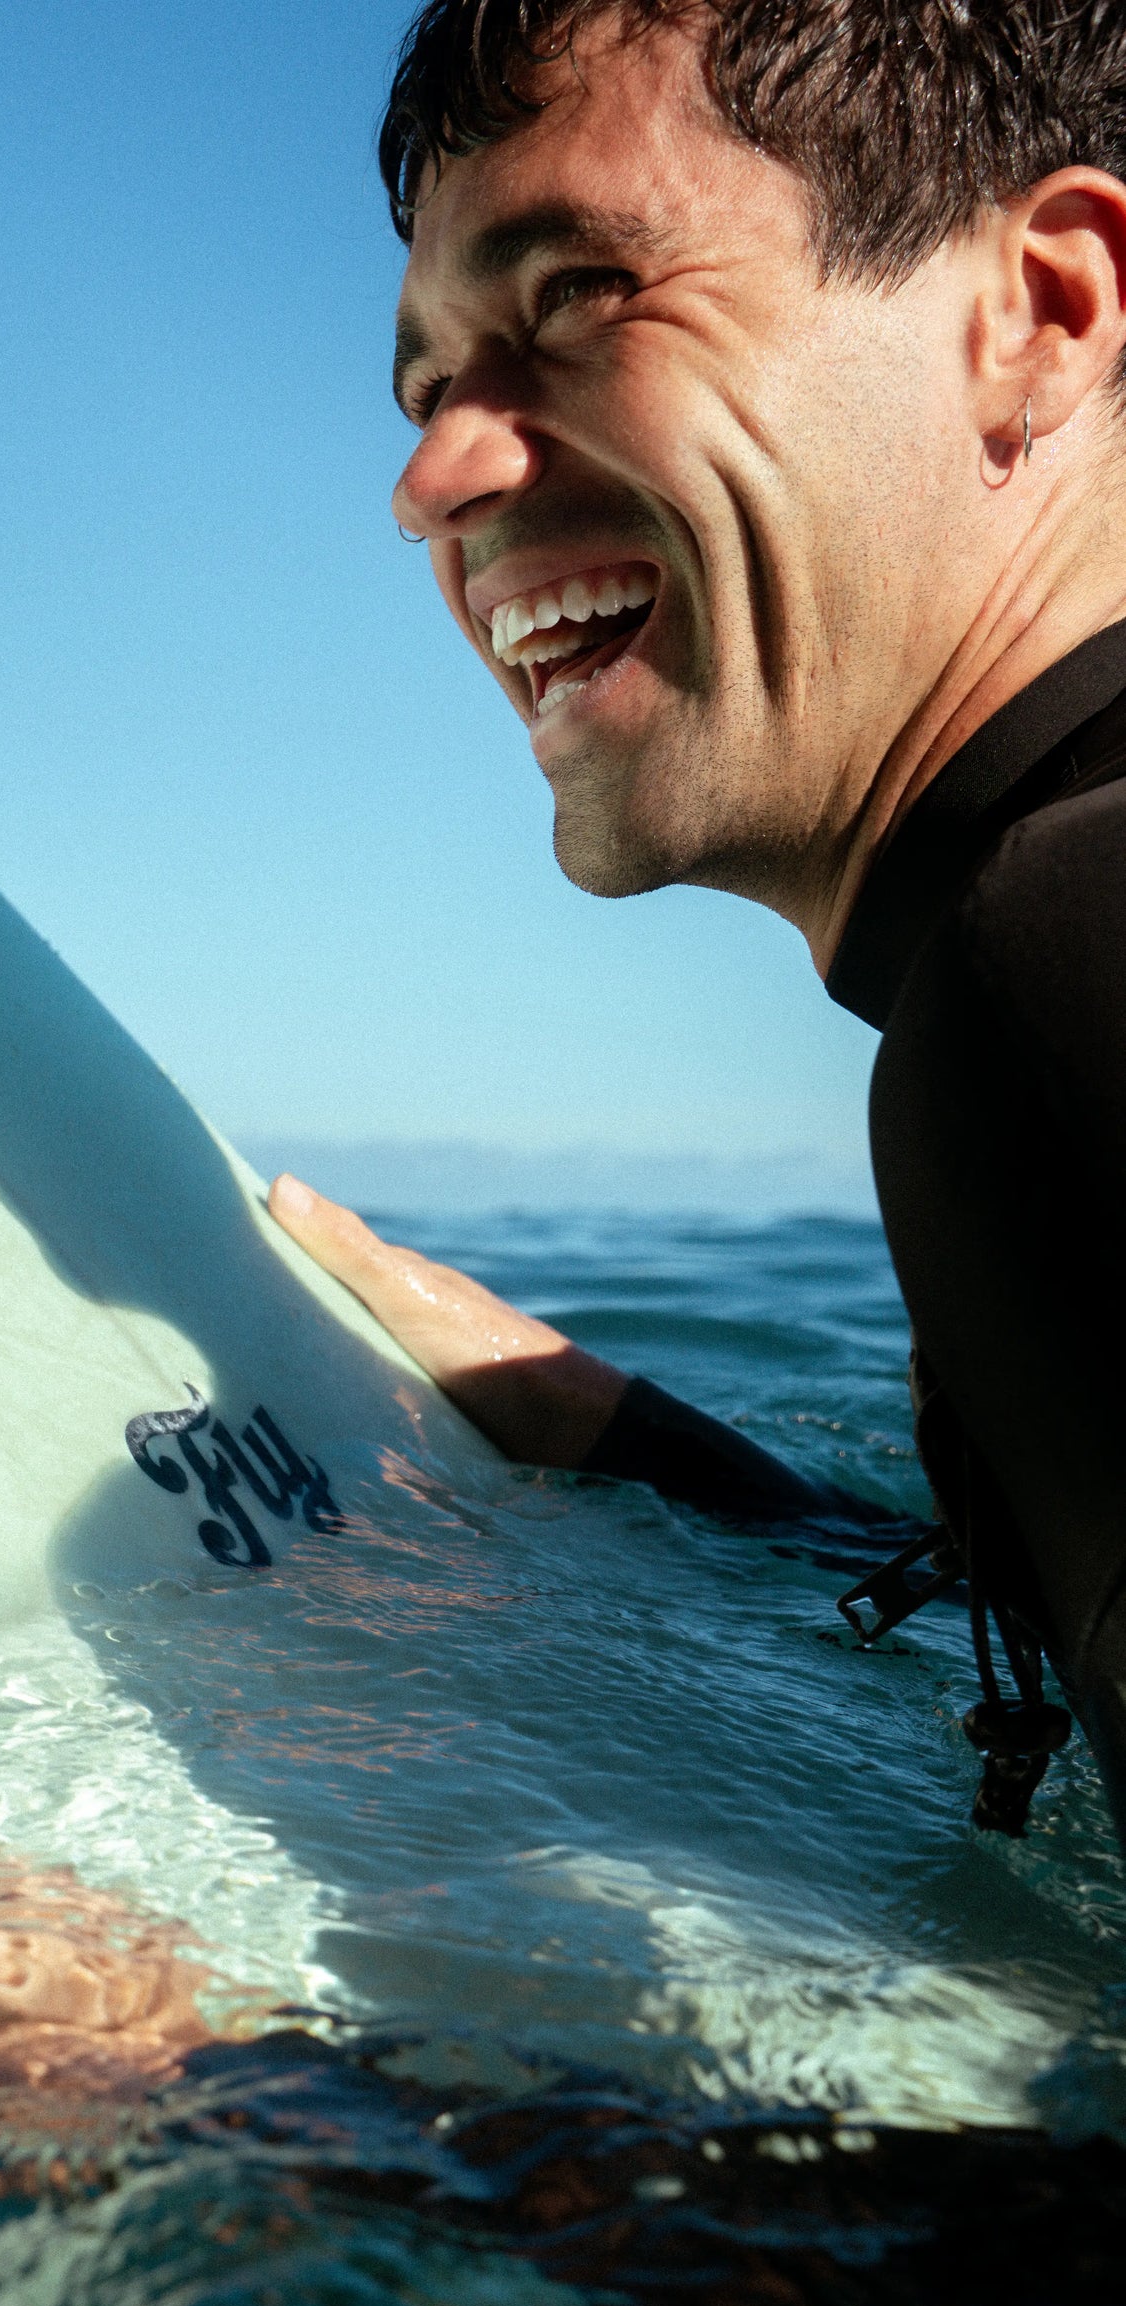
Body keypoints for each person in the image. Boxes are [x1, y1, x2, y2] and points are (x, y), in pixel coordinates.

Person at [269, 0, 1126, 1844]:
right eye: (426, 389)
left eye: (583, 291)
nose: (429, 479)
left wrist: (214, 2018)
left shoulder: (1064, 951)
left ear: (1040, 312)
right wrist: (633, 1451)